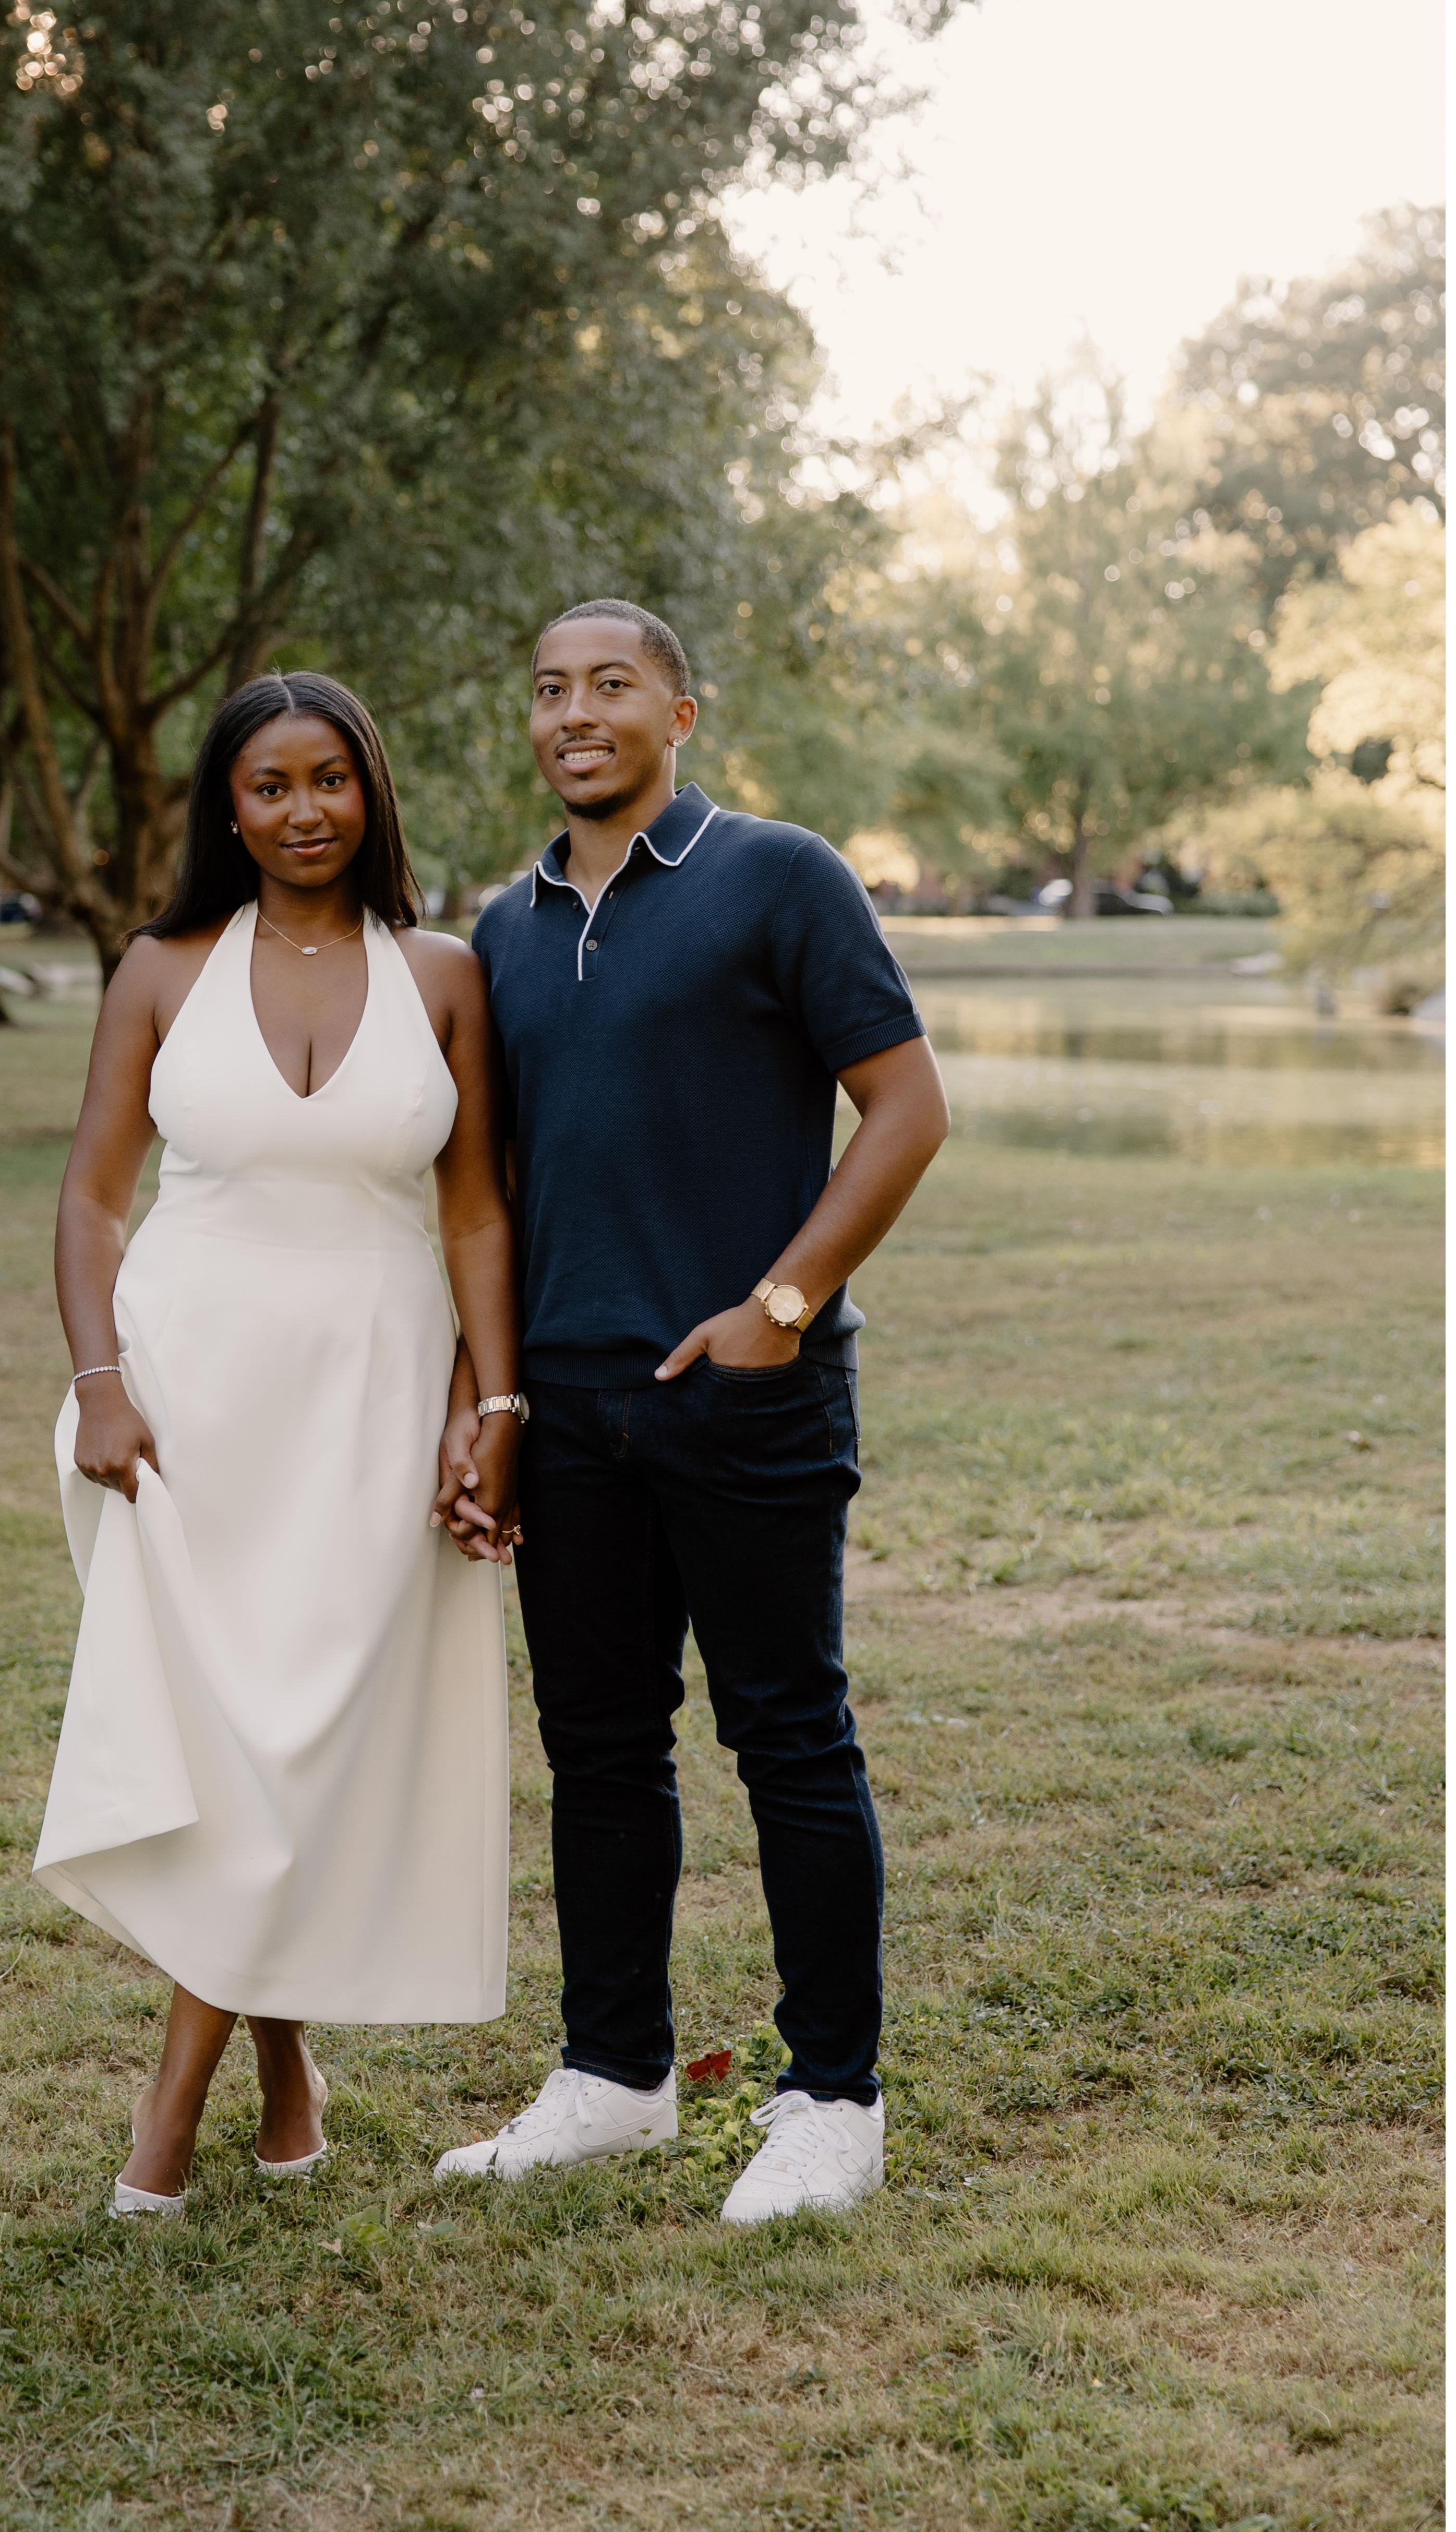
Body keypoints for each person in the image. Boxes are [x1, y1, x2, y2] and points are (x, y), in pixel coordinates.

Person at [431, 600, 950, 2224]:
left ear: (680, 714)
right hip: (569, 1405)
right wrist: (489, 1397)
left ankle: (834, 2102)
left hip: (747, 1398)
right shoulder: (502, 929)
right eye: (549, 689)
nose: (574, 712)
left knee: (788, 1734)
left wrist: (777, 1312)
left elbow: (908, 1107)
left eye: (612, 684)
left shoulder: (778, 876)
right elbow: (489, 1188)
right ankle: (615, 2077)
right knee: (596, 1749)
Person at [37, 670, 525, 2217]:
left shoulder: (444, 976)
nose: (304, 810)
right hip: (187, 1399)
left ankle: (195, 2093)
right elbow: (93, 1198)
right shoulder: (161, 969)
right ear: (228, 809)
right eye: (270, 785)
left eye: (330, 779)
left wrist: (494, 1404)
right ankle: (248, 2080)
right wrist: (100, 1381)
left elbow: (477, 1214)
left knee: (309, 1731)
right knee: (229, 1740)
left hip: (375, 1394)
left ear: (370, 793)